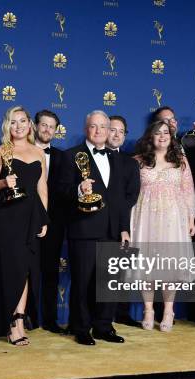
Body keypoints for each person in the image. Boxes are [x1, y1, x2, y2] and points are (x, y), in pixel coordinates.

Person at [59, 110, 131, 346]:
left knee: (109, 283)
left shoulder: (118, 160)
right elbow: (60, 191)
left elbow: (120, 199)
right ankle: (81, 328)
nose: (98, 131)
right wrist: (79, 189)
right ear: (85, 128)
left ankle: (103, 326)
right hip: (84, 229)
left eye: (103, 126)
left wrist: (124, 228)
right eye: (93, 126)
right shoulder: (71, 156)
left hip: (112, 231)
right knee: (82, 282)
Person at [0, 106, 48, 346]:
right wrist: (3, 182)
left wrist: (44, 219)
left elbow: (42, 187)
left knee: (27, 271)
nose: (19, 126)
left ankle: (20, 319)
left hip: (32, 217)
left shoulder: (38, 153)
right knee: (13, 269)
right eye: (13, 122)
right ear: (7, 126)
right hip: (9, 218)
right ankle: (12, 322)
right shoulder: (1, 151)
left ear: (30, 124)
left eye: (23, 121)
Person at [131, 121, 195, 332]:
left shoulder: (181, 161)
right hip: (144, 218)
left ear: (171, 136)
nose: (162, 136)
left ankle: (169, 310)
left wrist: (191, 219)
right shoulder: (138, 162)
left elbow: (188, 192)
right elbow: (129, 192)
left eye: (166, 132)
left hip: (174, 219)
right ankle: (148, 310)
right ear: (150, 137)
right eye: (157, 133)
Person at [106, 115, 142, 328]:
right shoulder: (91, 158)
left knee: (122, 271)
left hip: (124, 222)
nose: (117, 134)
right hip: (97, 221)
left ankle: (122, 313)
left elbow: (132, 196)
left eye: (121, 131)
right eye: (112, 129)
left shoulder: (130, 163)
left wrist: (122, 224)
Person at [34, 109, 67, 334]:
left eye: (51, 127)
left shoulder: (62, 157)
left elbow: (63, 192)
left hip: (53, 223)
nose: (46, 130)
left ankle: (50, 319)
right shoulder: (18, 152)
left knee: (50, 274)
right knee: (23, 272)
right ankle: (23, 319)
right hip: (22, 222)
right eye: (43, 125)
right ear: (35, 126)